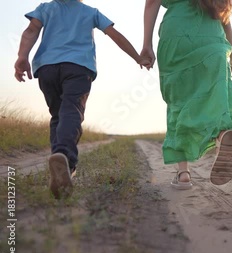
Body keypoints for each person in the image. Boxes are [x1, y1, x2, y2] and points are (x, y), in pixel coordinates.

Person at [14, 0, 149, 199]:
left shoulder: (45, 8)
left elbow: (30, 32)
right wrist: (138, 58)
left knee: (58, 115)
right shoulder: (91, 12)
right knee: (72, 112)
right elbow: (115, 36)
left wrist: (22, 57)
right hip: (78, 67)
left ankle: (59, 164)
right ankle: (65, 159)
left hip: (47, 68)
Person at [141, 0, 232, 189]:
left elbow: (152, 3)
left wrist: (147, 44)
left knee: (178, 102)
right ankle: (223, 134)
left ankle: (183, 173)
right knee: (217, 95)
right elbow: (224, 15)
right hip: (212, 38)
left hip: (177, 36)